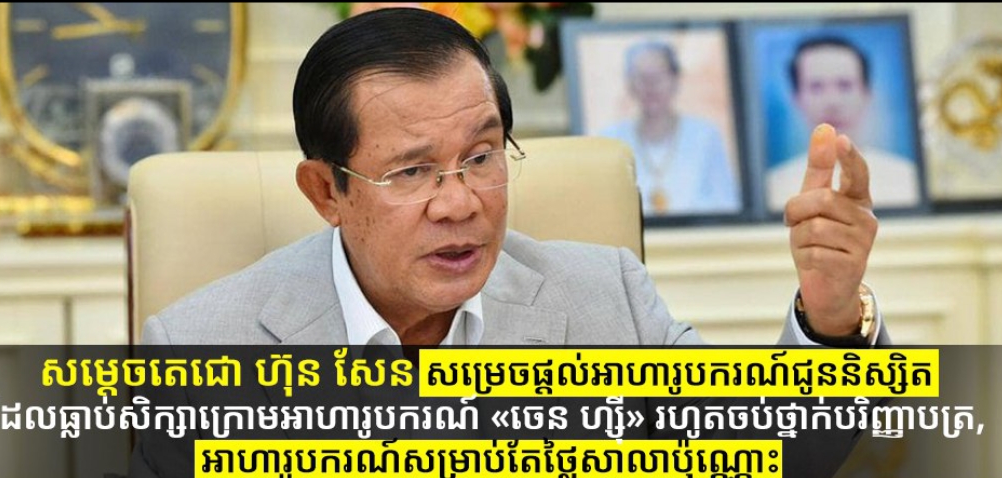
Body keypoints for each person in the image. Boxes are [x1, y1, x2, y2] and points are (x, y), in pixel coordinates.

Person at [130, 8, 886, 477]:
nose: (460, 203)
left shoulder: (607, 300)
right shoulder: (198, 353)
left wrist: (830, 317)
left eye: (482, 157)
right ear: (327, 192)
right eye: (412, 172)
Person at [767, 35, 920, 211]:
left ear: (867, 94)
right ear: (796, 98)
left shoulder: (907, 177)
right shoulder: (774, 185)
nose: (832, 102)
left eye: (845, 85)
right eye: (816, 87)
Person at [598, 40, 741, 216]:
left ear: (675, 80)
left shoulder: (706, 136)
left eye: (658, 77)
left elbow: (726, 204)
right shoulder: (610, 140)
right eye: (641, 77)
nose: (650, 86)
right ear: (629, 84)